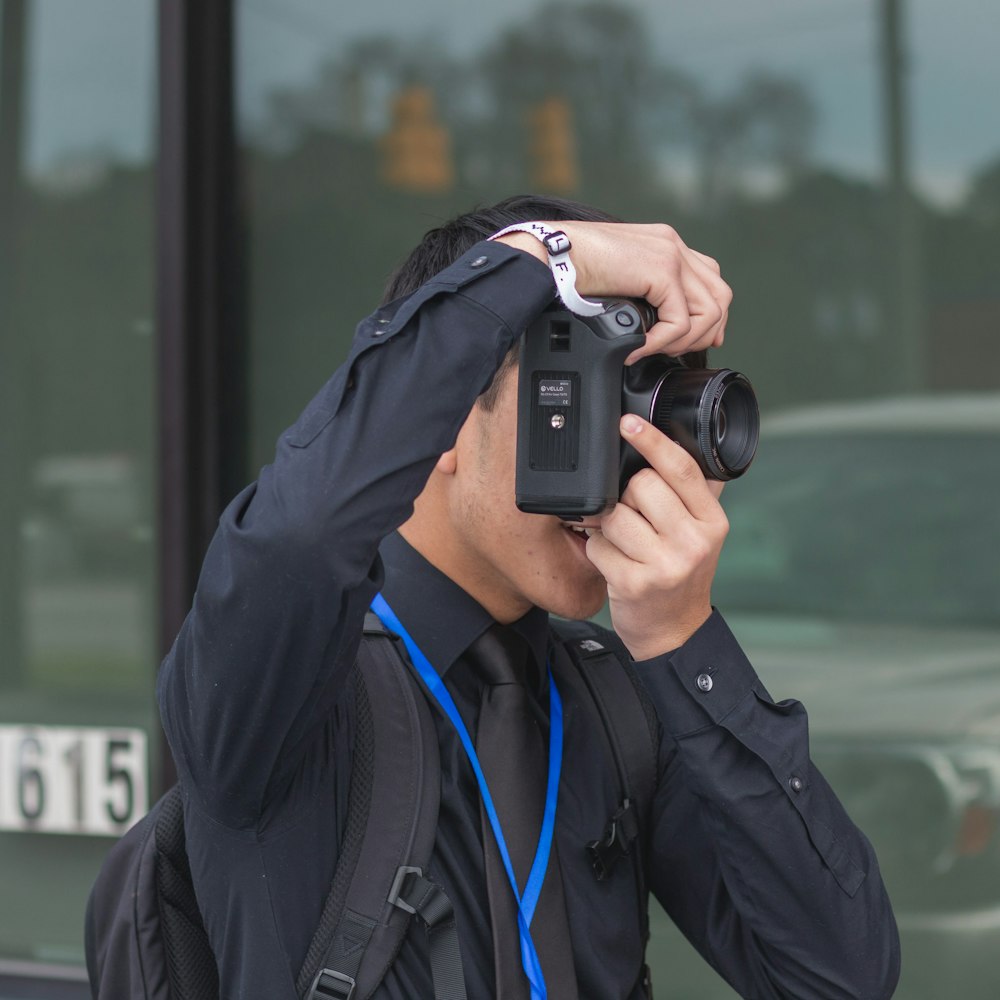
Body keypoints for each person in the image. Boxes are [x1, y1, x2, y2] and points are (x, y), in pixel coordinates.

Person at [157, 194, 900, 999]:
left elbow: (841, 978)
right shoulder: (290, 681)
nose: (624, 469)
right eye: (580, 403)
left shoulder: (612, 697)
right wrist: (543, 257)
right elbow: (298, 536)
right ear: (436, 420)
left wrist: (683, 641)